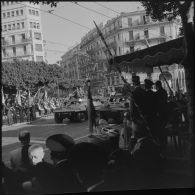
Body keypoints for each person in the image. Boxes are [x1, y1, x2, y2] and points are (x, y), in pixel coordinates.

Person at [129, 118, 163, 188]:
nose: (131, 132)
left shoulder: (140, 147)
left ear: (136, 133)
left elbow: (134, 162)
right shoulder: (151, 142)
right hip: (155, 176)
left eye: (132, 131)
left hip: (144, 180)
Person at [155, 80, 168, 151]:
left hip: (159, 113)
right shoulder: (164, 92)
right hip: (165, 113)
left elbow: (156, 104)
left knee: (160, 129)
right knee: (163, 128)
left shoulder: (157, 93)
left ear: (157, 86)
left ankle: (161, 144)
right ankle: (164, 143)